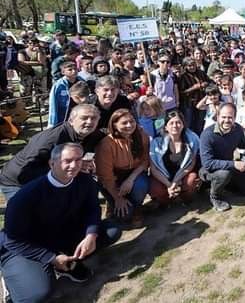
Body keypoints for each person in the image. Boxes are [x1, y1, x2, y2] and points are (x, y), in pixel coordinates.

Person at [0, 144, 122, 302]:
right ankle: (13, 281)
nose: (74, 165)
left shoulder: (85, 181)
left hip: (60, 235)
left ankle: (65, 264)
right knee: (36, 294)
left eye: (78, 160)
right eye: (68, 161)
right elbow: (13, 241)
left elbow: (93, 209)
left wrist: (90, 236)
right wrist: (51, 257)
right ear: (52, 163)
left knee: (111, 231)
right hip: (24, 246)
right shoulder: (26, 197)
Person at [0, 104, 103, 201]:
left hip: (51, 177)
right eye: (84, 118)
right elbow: (26, 172)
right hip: (17, 182)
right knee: (28, 215)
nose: (89, 122)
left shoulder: (91, 135)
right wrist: (74, 167)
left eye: (93, 118)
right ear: (71, 120)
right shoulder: (52, 139)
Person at [95, 109, 150, 226]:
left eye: (132, 121)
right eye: (124, 123)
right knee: (124, 216)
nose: (129, 125)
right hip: (114, 177)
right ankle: (112, 202)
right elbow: (105, 176)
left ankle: (137, 209)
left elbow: (145, 160)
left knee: (141, 186)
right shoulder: (106, 144)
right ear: (114, 125)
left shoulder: (141, 135)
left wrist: (131, 179)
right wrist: (117, 198)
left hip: (135, 172)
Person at [198, 103, 245, 211]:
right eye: (223, 117)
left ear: (234, 118)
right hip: (207, 170)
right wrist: (234, 164)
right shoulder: (207, 135)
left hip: (227, 165)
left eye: (230, 117)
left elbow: (242, 144)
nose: (227, 120)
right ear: (217, 117)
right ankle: (215, 197)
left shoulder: (237, 129)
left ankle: (222, 186)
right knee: (224, 174)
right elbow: (208, 164)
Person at [149, 111, 200, 206]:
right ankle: (166, 201)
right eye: (171, 123)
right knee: (155, 189)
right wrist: (169, 185)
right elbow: (154, 169)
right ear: (165, 127)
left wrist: (175, 181)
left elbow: (191, 164)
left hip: (182, 174)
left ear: (183, 125)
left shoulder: (192, 140)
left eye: (178, 122)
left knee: (191, 181)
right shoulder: (156, 143)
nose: (175, 125)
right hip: (163, 176)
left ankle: (185, 198)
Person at [47, 60, 80, 128]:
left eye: (75, 69)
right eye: (70, 70)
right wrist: (52, 123)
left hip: (78, 111)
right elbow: (53, 103)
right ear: (63, 72)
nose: (74, 71)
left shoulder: (81, 82)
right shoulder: (59, 85)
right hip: (64, 114)